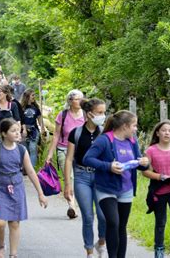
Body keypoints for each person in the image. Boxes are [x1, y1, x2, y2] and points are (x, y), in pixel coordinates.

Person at [83, 110, 149, 258]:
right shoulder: (104, 140)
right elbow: (88, 158)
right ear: (125, 126)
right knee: (113, 222)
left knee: (121, 227)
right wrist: (109, 166)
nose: (136, 129)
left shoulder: (132, 141)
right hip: (106, 188)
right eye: (134, 126)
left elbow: (137, 163)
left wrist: (144, 163)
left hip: (126, 188)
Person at [0, 118, 48, 258]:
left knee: (14, 223)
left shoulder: (22, 150)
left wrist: (40, 193)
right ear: (4, 134)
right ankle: (0, 245)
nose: (18, 133)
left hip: (17, 187)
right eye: (13, 131)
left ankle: (13, 254)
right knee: (0, 222)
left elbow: (30, 172)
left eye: (18, 130)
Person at [64, 98, 107, 258]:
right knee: (88, 216)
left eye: (104, 112)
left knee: (103, 215)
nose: (103, 116)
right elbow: (69, 158)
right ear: (89, 114)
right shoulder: (75, 133)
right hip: (81, 176)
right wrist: (67, 184)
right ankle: (89, 251)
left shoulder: (104, 133)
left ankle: (101, 242)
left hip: (101, 177)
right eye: (100, 113)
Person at [142, 120, 170, 258]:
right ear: (157, 133)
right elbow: (145, 172)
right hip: (158, 192)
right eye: (164, 130)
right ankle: (159, 249)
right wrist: (159, 176)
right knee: (160, 222)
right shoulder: (150, 150)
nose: (167, 133)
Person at [45, 89, 86, 219]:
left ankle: (78, 203)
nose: (80, 101)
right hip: (64, 149)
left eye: (81, 99)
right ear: (70, 101)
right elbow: (56, 135)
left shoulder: (85, 115)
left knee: (80, 178)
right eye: (77, 99)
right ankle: (72, 206)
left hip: (81, 152)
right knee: (69, 178)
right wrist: (50, 154)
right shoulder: (62, 115)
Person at [20, 89, 46, 167]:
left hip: (34, 131)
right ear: (27, 96)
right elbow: (19, 119)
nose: (34, 97)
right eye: (32, 95)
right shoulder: (21, 107)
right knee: (25, 150)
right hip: (23, 131)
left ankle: (32, 169)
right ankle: (25, 169)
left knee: (33, 149)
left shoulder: (35, 107)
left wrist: (42, 128)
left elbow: (39, 118)